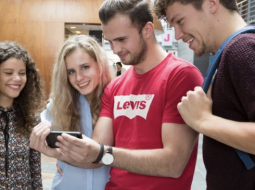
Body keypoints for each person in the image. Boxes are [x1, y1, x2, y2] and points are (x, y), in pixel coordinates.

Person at [30, 0, 203, 189]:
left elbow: (173, 164)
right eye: (110, 41)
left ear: (147, 30)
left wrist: (103, 153)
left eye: (121, 40)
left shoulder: (180, 75)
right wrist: (57, 154)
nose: (115, 50)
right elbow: (94, 156)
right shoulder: (115, 87)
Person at [153, 0, 255, 189]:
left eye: (180, 21)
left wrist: (203, 120)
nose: (177, 35)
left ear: (212, 4)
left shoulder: (245, 49)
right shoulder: (238, 49)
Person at [32, 35, 113, 190]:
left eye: (85, 67)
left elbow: (101, 159)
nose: (79, 77)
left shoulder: (117, 101)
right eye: (71, 71)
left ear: (99, 64)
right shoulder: (58, 105)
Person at [0, 41, 44, 189]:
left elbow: (35, 169)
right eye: (8, 73)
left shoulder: (31, 118)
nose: (17, 79)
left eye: (22, 73)